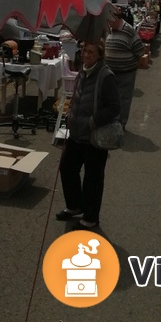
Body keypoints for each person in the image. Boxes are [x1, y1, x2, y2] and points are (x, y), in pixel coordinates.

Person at [56, 40, 120, 229]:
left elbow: (114, 107)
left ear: (99, 54)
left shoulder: (105, 75)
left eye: (91, 52)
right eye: (84, 51)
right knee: (67, 168)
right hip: (76, 133)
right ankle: (75, 206)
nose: (86, 55)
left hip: (94, 136)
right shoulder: (83, 71)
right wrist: (70, 114)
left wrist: (93, 121)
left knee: (93, 178)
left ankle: (91, 217)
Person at [104, 7, 145, 127]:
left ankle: (120, 124)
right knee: (110, 98)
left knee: (123, 99)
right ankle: (110, 121)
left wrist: (131, 64)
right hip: (110, 71)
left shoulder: (128, 30)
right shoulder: (110, 29)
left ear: (116, 18)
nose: (108, 22)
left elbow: (140, 50)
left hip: (126, 72)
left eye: (109, 20)